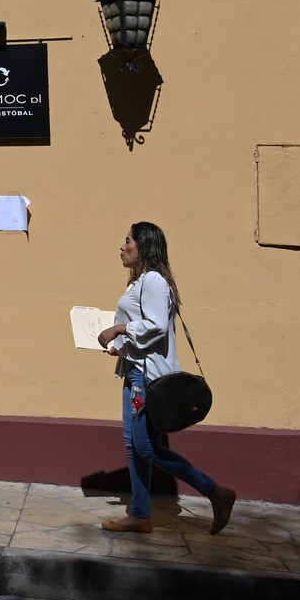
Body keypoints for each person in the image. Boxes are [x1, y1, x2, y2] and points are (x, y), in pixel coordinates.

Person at [95, 221, 236, 535]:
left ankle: (215, 492)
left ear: (143, 247)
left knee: (146, 449)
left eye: (128, 240)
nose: (122, 246)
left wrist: (119, 329)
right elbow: (146, 331)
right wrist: (121, 346)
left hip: (148, 379)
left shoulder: (155, 281)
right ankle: (140, 515)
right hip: (134, 374)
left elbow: (156, 325)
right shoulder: (140, 283)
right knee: (134, 448)